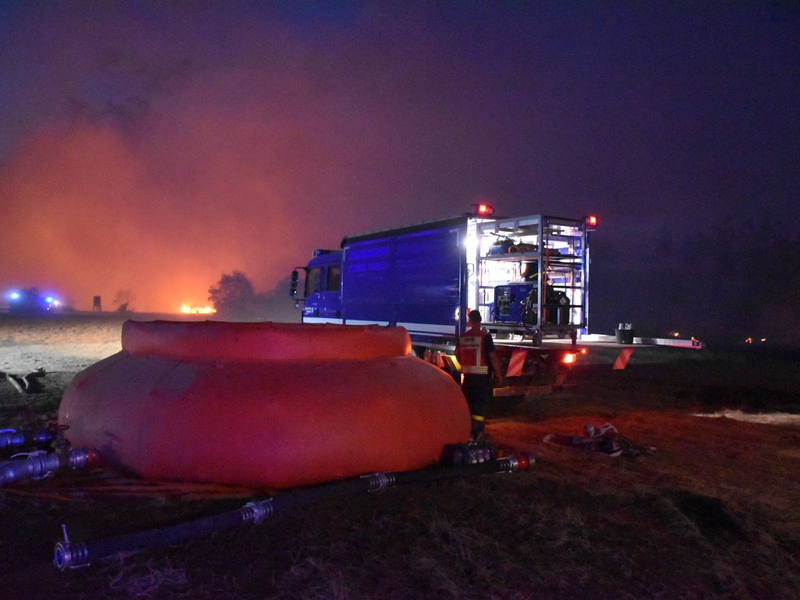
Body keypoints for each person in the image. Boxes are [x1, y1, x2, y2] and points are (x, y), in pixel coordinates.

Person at [455, 309, 505, 441]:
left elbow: (457, 356)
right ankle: (477, 433)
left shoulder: (463, 337)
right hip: (481, 378)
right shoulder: (485, 337)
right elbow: (492, 356)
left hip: (468, 378)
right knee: (479, 406)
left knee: (468, 404)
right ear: (480, 320)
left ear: (469, 321)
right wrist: (498, 374)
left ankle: (466, 431)